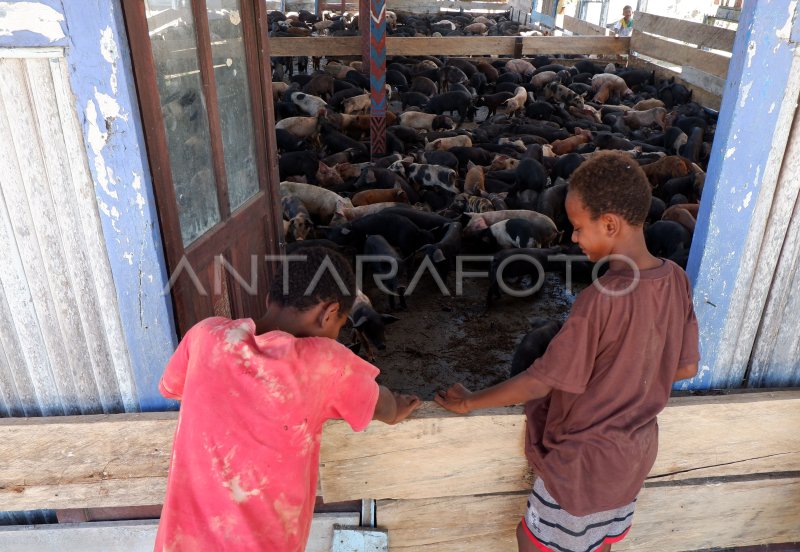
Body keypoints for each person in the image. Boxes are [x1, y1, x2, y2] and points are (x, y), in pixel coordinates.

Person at [435, 151, 700, 552]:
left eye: (577, 227)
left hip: (581, 464)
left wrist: (472, 402)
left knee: (532, 539)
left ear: (609, 224)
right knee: (599, 541)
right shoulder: (676, 279)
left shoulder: (600, 298)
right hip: (634, 458)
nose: (573, 238)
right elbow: (686, 366)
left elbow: (543, 380)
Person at [154, 247, 421, 552]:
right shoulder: (323, 362)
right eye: (340, 325)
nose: (335, 332)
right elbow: (383, 406)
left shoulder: (205, 335)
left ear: (270, 298)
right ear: (329, 313)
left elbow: (172, 387)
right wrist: (400, 405)